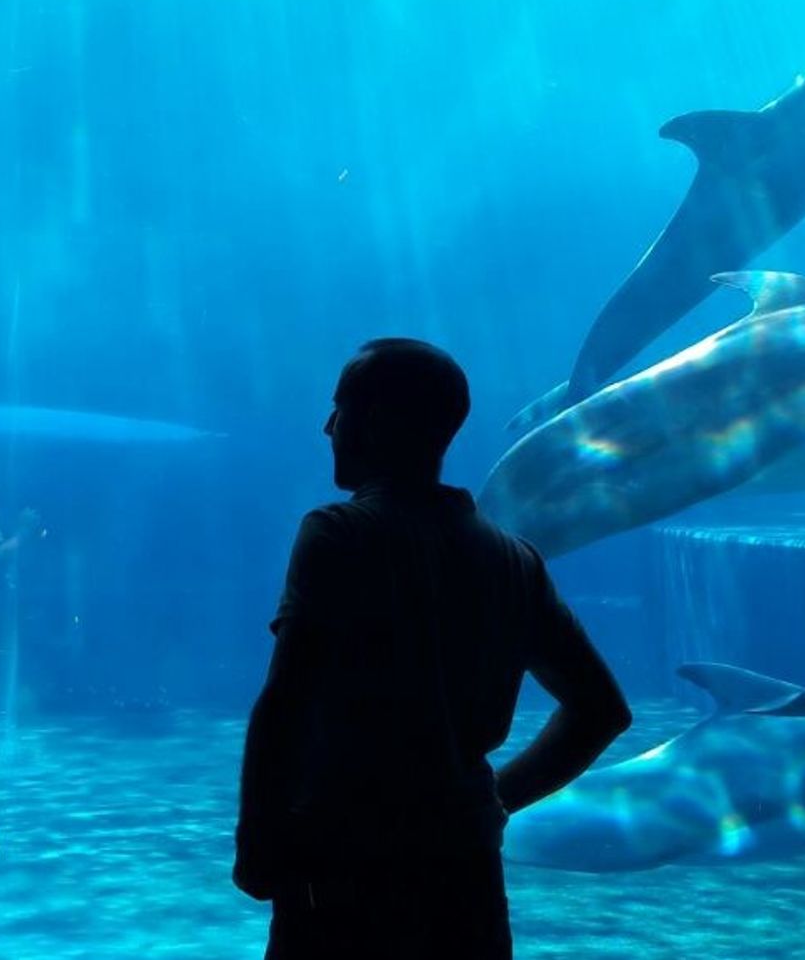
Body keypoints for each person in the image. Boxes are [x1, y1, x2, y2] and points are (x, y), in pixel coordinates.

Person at [233, 339, 632, 959]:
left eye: (341, 408)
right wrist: (490, 799)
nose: (328, 426)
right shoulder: (513, 559)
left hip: (344, 867)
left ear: (376, 421)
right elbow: (602, 710)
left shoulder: (337, 534)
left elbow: (285, 703)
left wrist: (257, 838)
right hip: (465, 872)